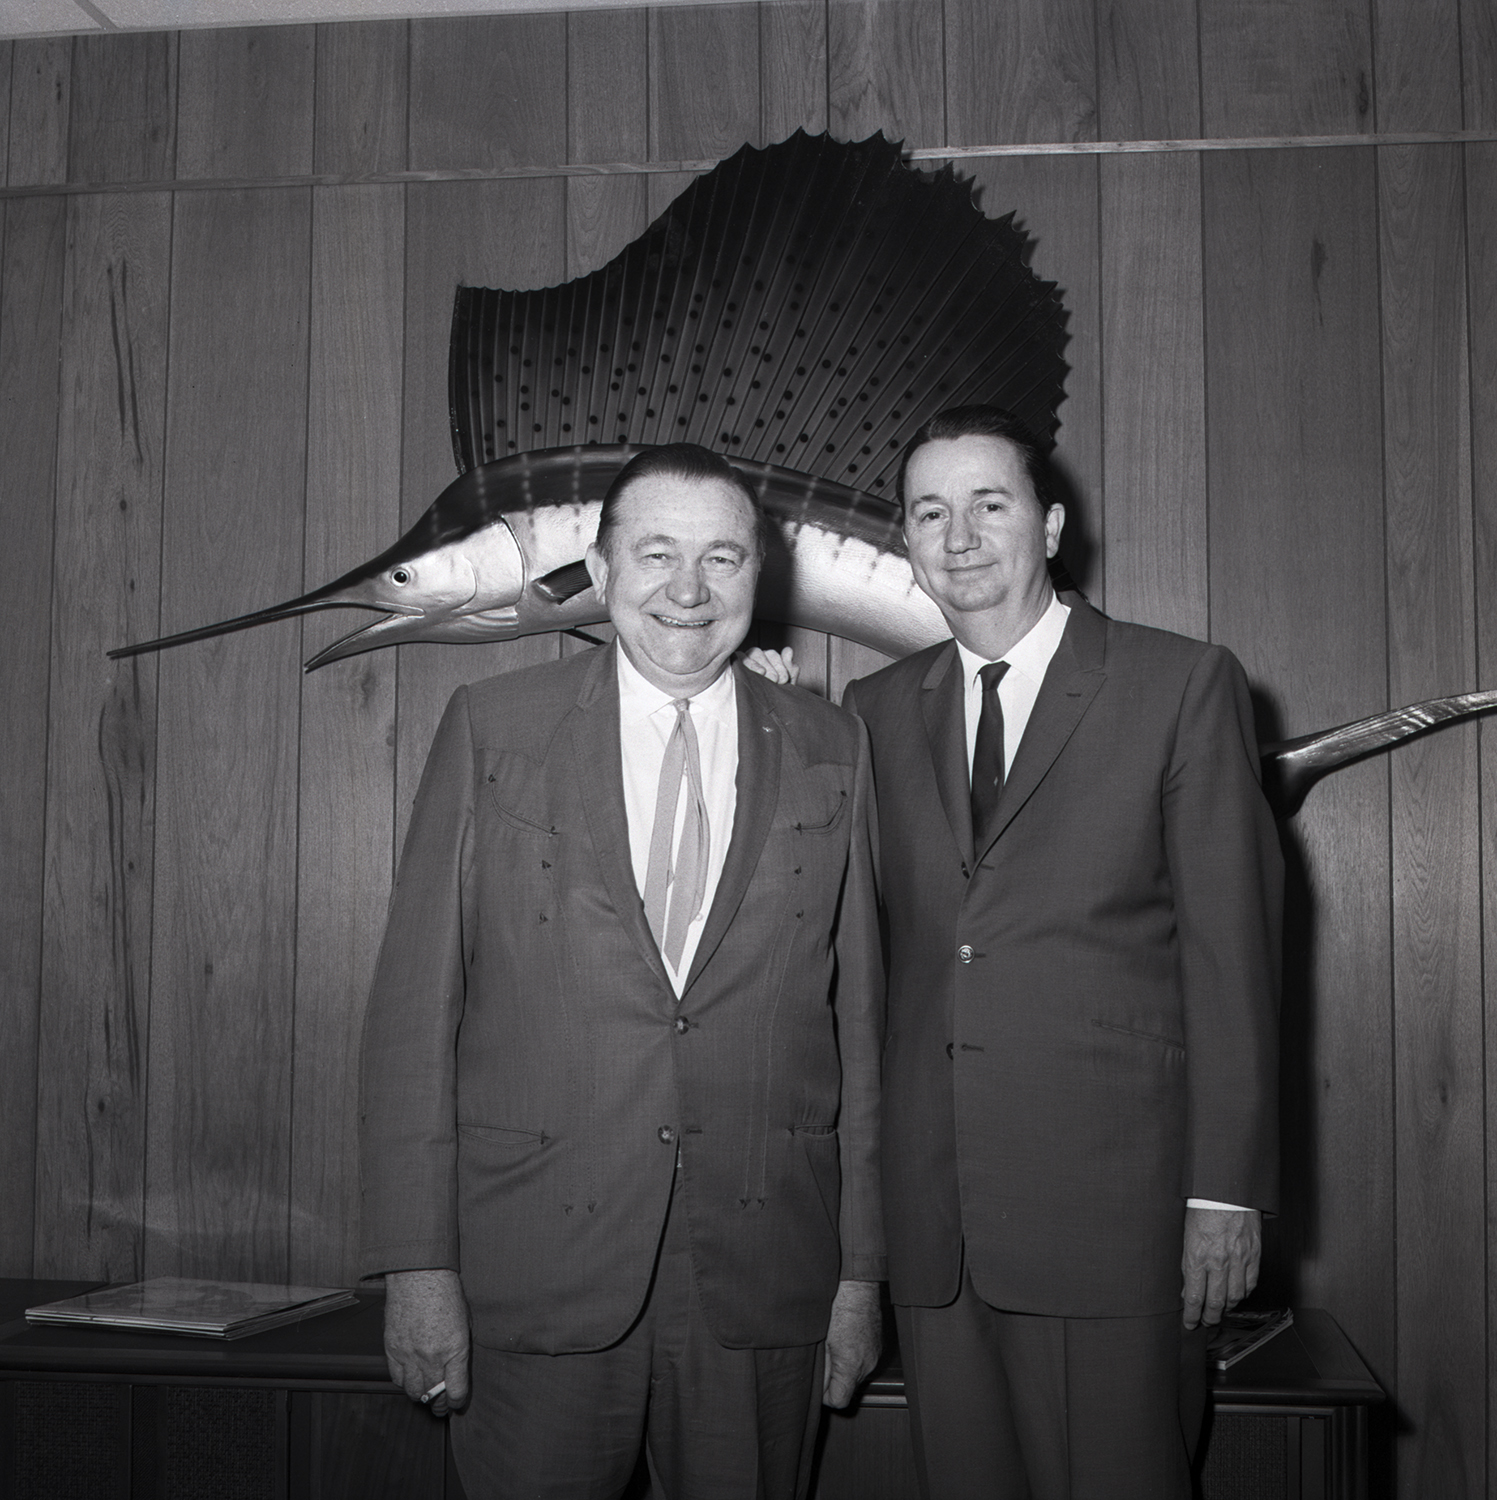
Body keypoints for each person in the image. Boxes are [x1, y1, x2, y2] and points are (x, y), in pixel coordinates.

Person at [359, 444, 884, 1500]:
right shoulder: (494, 730)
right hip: (540, 1264)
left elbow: (863, 1027)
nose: (688, 590)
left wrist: (862, 1270)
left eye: (722, 559)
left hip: (763, 1273)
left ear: (758, 578)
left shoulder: (835, 746)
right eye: (655, 554)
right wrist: (418, 1269)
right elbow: (416, 1016)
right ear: (597, 574)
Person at [840, 406, 1282, 1499]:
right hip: (935, 1227)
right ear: (906, 541)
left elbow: (1235, 959)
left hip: (1115, 1220)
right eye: (930, 513)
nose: (960, 536)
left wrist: (1225, 1195)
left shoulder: (1181, 685)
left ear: (1048, 525)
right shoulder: (875, 713)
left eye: (989, 505)